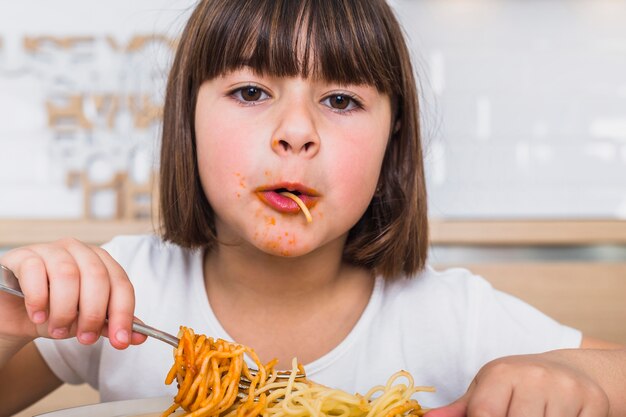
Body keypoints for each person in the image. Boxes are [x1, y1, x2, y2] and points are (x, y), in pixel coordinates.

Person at [0, 0, 624, 416]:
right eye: (250, 91)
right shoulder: (125, 295)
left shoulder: (449, 317)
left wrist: (579, 375)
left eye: (342, 101)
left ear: (393, 139)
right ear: (187, 119)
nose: (295, 132)